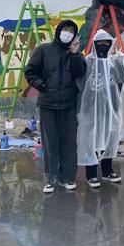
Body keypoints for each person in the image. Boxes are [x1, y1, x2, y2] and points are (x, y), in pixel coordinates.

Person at [25, 20, 87, 193]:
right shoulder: (44, 50)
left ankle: (67, 178)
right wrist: (42, 86)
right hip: (48, 104)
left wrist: (75, 54)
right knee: (50, 142)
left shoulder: (75, 53)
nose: (67, 33)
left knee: (69, 143)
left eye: (71, 31)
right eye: (65, 29)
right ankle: (51, 178)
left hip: (69, 105)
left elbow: (81, 73)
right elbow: (30, 71)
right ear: (59, 31)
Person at [77, 30, 124, 187]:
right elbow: (80, 83)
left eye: (107, 43)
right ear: (94, 44)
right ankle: (91, 173)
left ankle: (107, 170)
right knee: (90, 140)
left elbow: (122, 78)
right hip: (91, 110)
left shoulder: (113, 61)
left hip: (111, 109)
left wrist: (119, 61)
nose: (103, 46)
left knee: (110, 138)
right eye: (100, 43)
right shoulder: (88, 62)